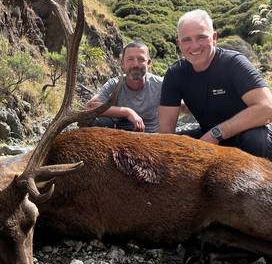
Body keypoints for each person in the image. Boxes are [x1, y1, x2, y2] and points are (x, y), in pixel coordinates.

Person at [159, 9, 272, 159]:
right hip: (209, 134)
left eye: (201, 37)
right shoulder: (175, 74)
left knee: (255, 139)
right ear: (178, 43)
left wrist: (216, 133)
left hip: (247, 133)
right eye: (187, 40)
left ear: (214, 37)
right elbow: (166, 132)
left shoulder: (233, 63)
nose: (194, 46)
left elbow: (267, 108)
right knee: (172, 145)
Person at [85, 41, 163, 132]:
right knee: (100, 122)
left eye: (141, 59)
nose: (135, 65)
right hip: (120, 136)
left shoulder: (161, 84)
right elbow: (90, 107)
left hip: (153, 136)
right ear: (122, 63)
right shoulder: (114, 84)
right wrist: (127, 112)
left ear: (148, 63)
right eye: (130, 59)